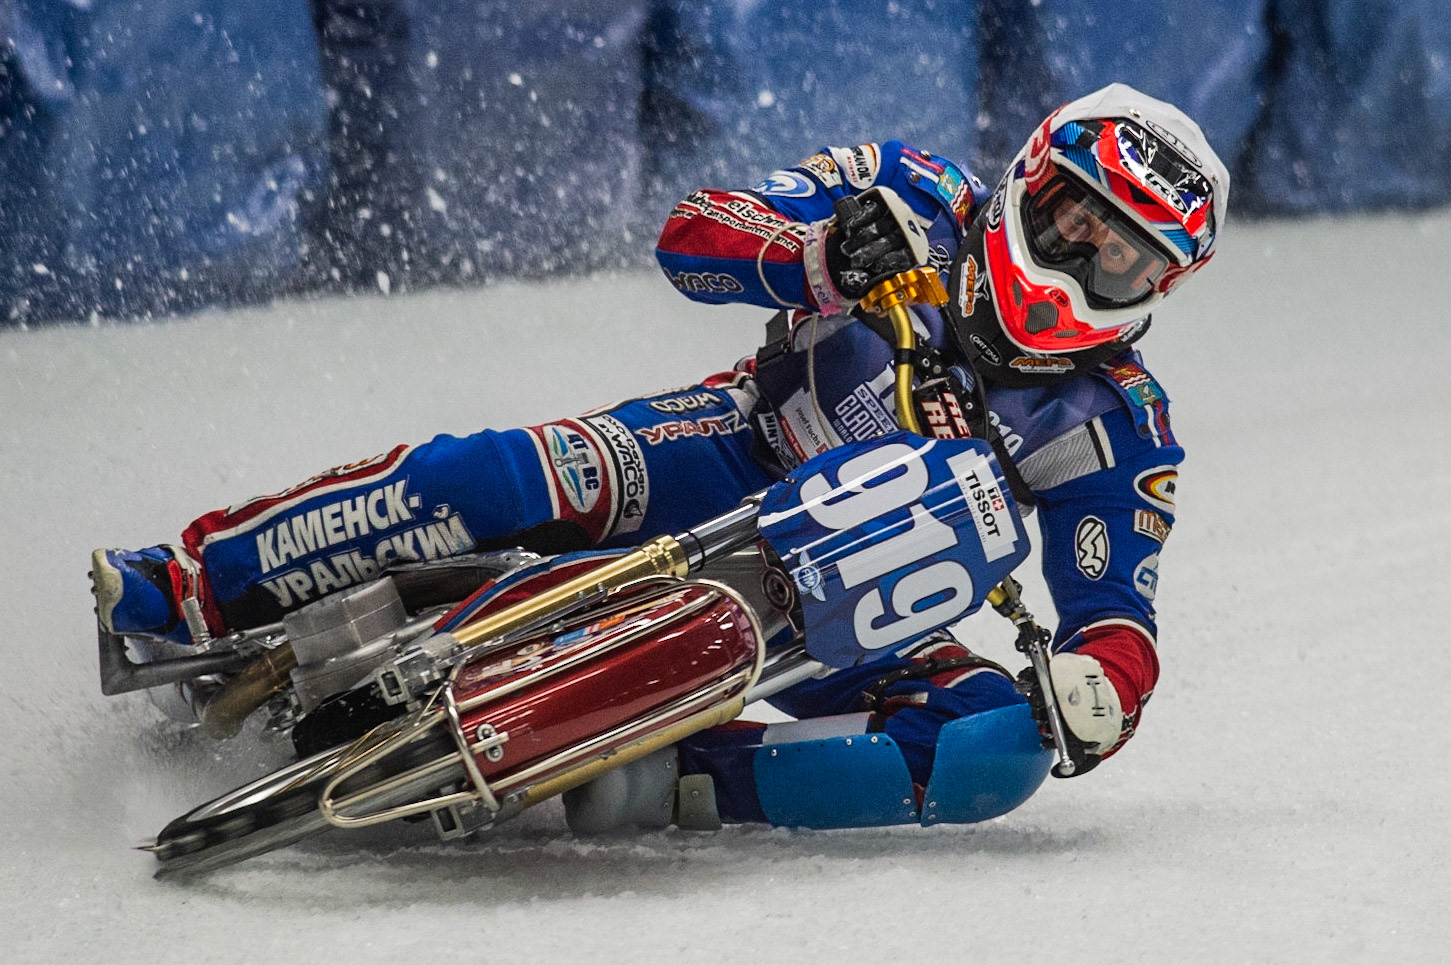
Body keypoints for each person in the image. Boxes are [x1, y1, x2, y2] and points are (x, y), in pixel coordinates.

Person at [91, 83, 1228, 830]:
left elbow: (1113, 604)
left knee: (992, 747)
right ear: (1029, 175)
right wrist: (816, 253)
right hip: (721, 447)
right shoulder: (910, 191)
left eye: (1119, 257)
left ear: (1156, 289)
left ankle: (670, 771)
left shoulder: (1119, 420)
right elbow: (691, 235)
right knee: (491, 477)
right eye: (1074, 216)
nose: (1080, 257)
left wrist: (1101, 689)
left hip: (848, 605)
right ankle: (187, 582)